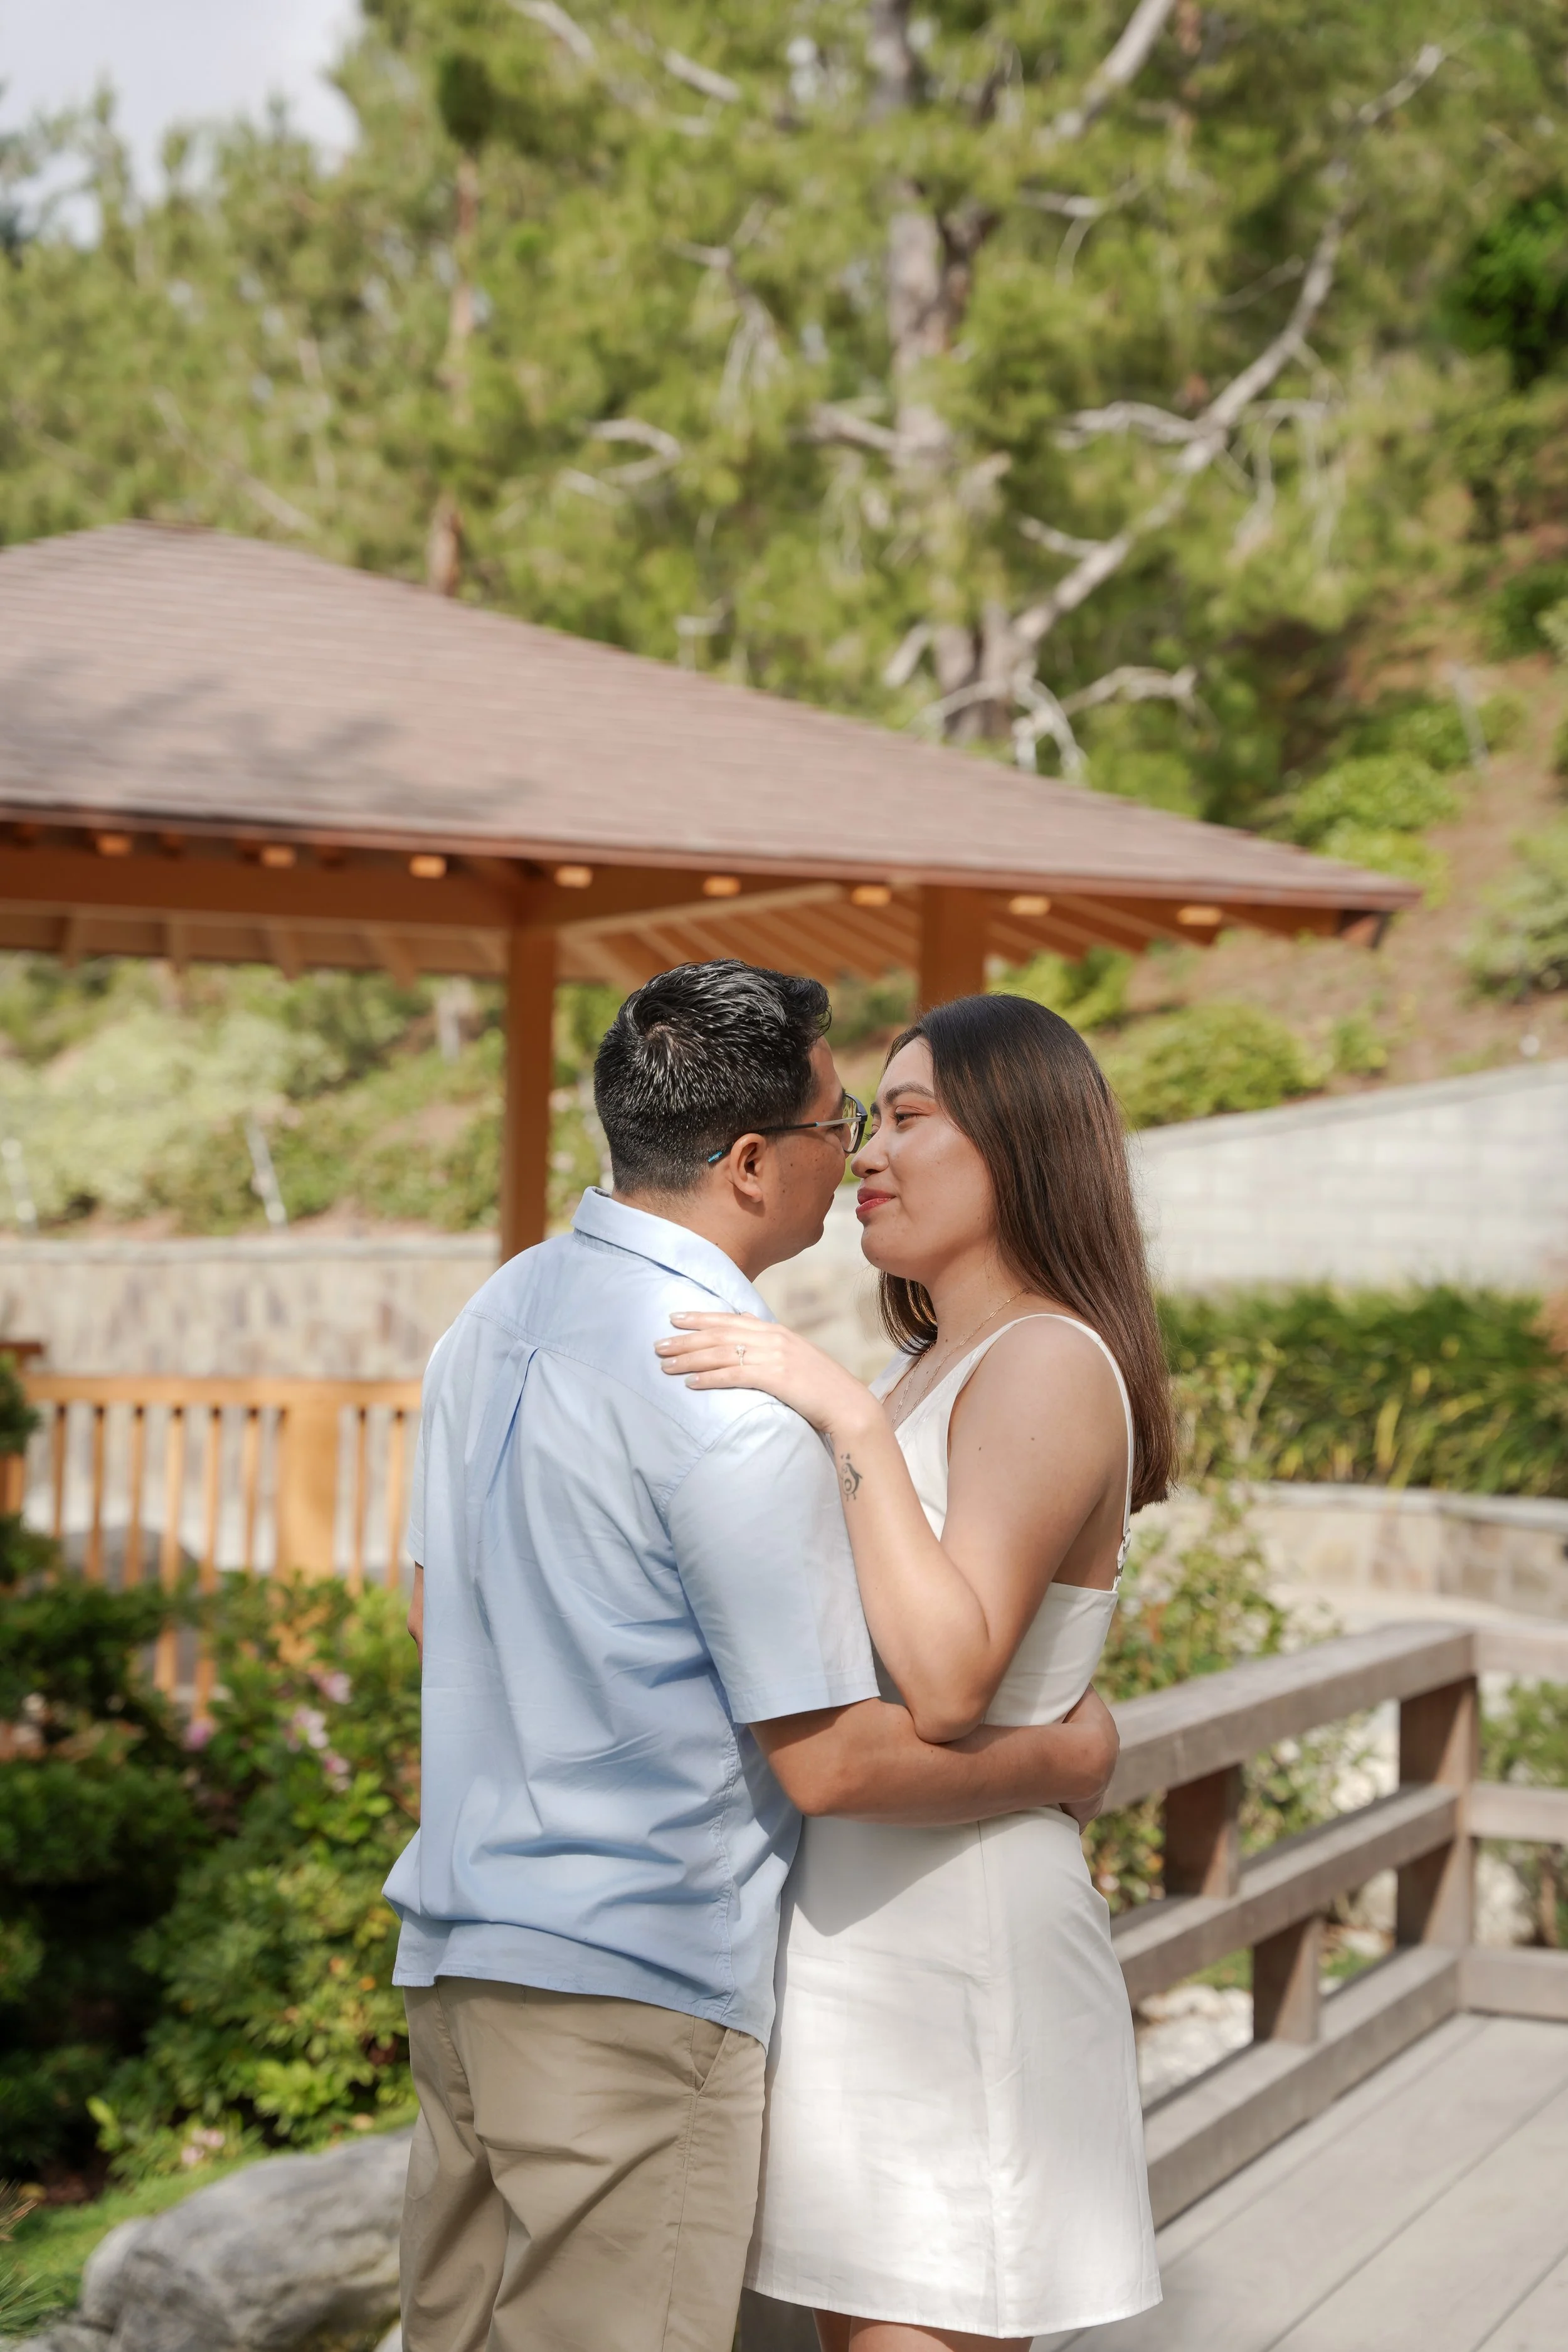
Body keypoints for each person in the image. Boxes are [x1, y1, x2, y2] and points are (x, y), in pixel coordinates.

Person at [384, 961, 1124, 2352]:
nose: (857, 1158)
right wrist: (1069, 1752)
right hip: (634, 1976)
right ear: (745, 1162)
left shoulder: (492, 1319)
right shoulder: (726, 1391)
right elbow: (836, 1755)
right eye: (847, 1124)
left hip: (465, 1953)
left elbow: (435, 1611)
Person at [655, 991, 1175, 2351]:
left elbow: (944, 1682)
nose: (866, 1154)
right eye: (865, 1122)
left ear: (1021, 1143)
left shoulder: (1047, 1360)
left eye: (906, 1119)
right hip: (865, 1939)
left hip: (960, 1951)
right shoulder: (933, 1364)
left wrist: (832, 1412)